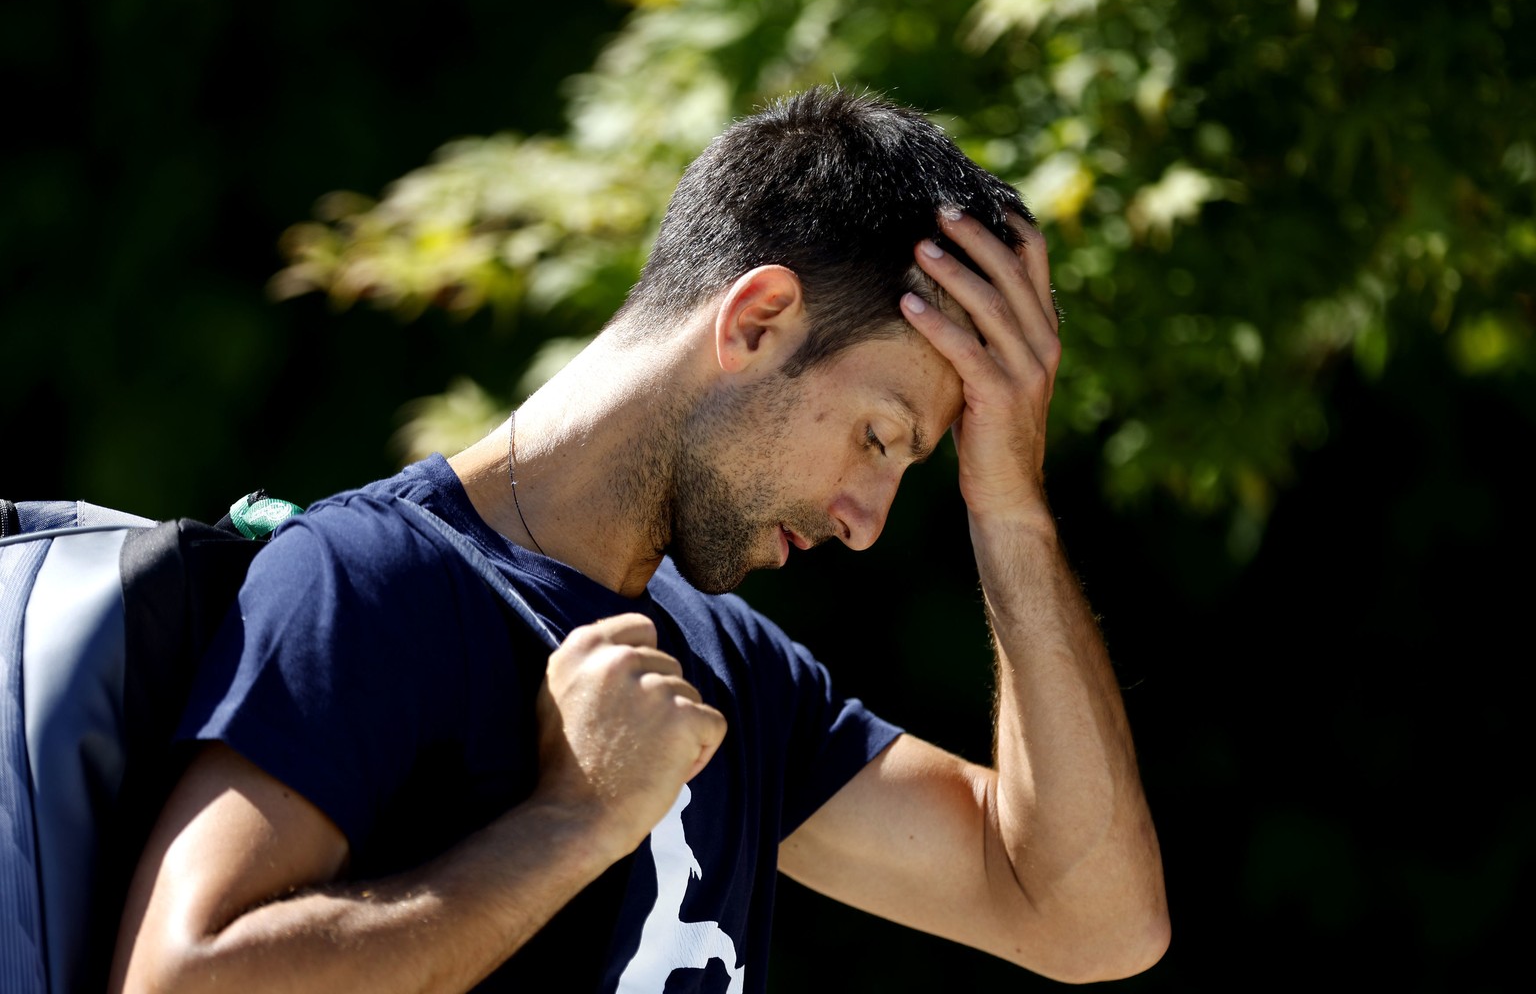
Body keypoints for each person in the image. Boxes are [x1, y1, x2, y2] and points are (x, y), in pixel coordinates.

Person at [110, 86, 1169, 993]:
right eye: (878, 438)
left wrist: (1013, 509)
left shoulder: (733, 674)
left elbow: (1092, 921)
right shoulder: (368, 581)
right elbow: (178, 975)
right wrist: (572, 824)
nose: (865, 521)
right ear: (758, 321)